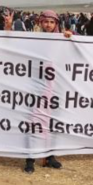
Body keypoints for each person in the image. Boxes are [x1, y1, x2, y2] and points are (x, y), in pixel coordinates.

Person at [23, 10, 72, 174]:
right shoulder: (35, 39)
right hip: (37, 86)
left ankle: (50, 156)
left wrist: (70, 36)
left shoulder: (61, 39)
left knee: (52, 123)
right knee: (34, 122)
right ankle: (30, 158)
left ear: (56, 23)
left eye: (52, 22)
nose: (48, 25)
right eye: (45, 22)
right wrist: (8, 27)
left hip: (55, 86)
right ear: (40, 23)